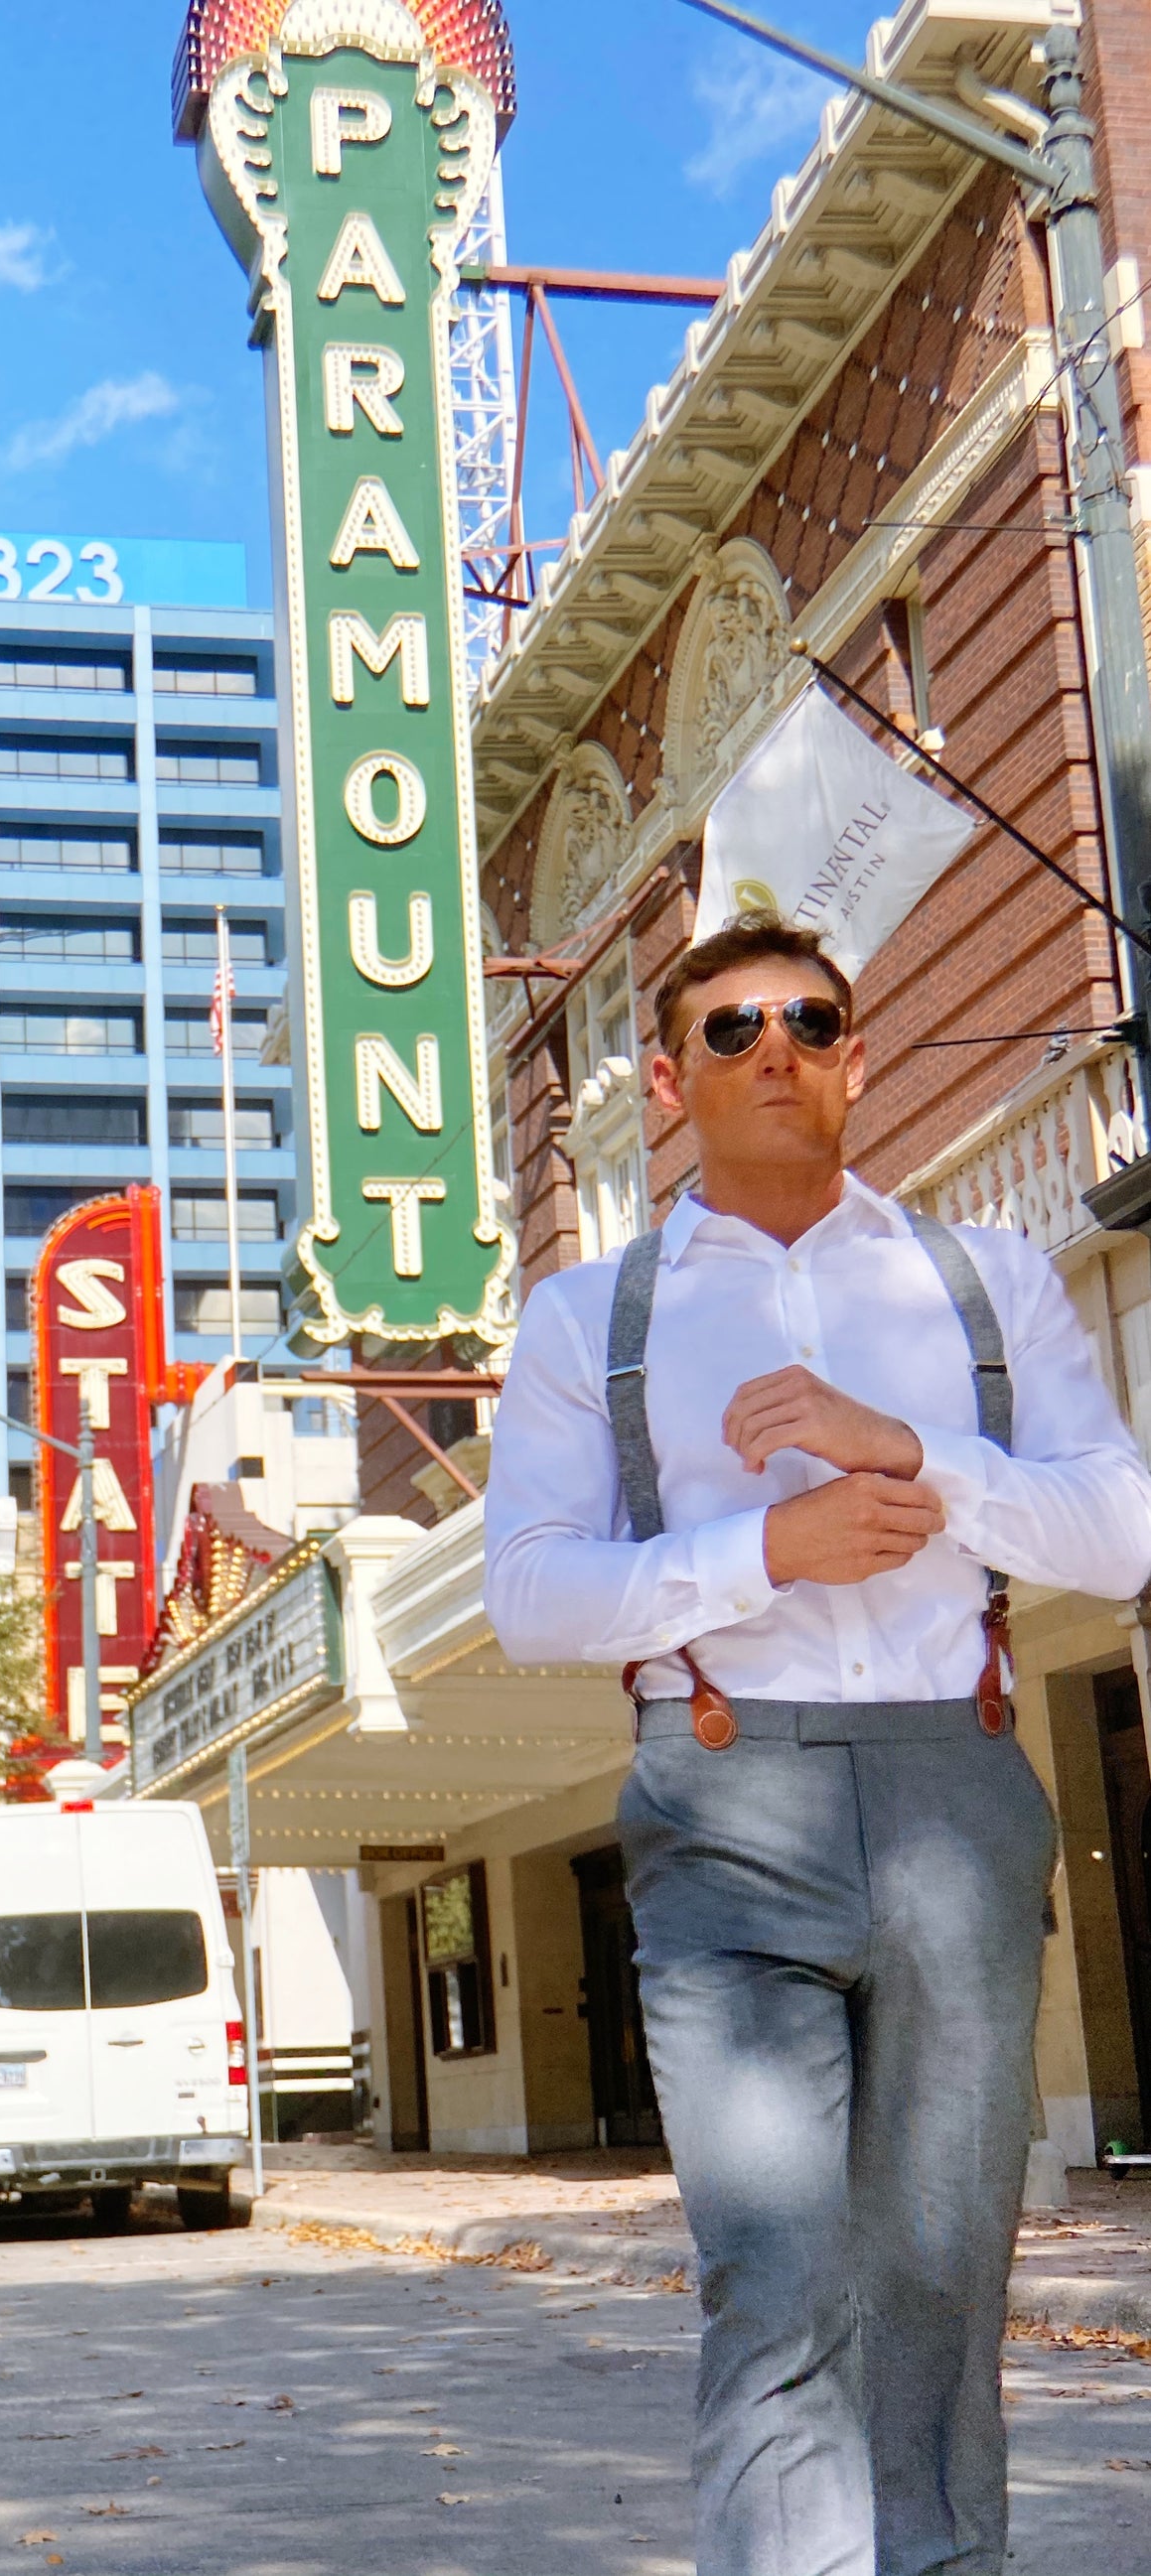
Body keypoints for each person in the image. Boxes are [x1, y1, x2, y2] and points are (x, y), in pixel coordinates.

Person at [484, 911, 1151, 2576]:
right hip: (721, 1805)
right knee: (772, 2277)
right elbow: (529, 1598)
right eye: (730, 1030)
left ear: (855, 1055)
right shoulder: (588, 1320)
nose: (774, 1047)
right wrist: (759, 1556)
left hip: (955, 1790)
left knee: (941, 2274)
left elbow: (1119, 1533)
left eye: (810, 1020)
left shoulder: (978, 1279)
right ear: (666, 1078)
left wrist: (917, 1457)